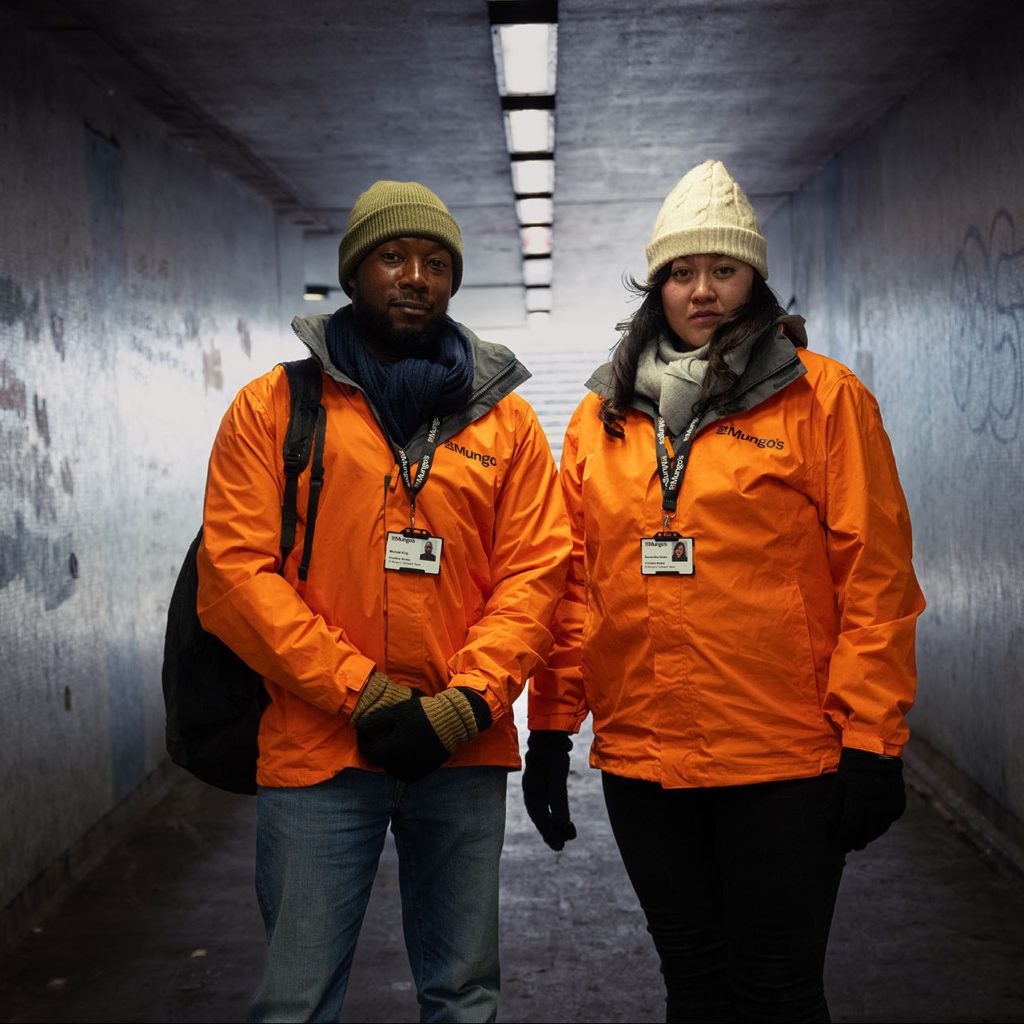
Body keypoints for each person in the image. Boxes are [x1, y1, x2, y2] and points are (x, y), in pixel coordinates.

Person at [523, 160, 925, 1023]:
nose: (702, 290)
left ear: (754, 281)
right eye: (681, 271)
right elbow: (573, 589)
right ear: (656, 285)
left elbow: (877, 580)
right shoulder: (602, 420)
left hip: (781, 760)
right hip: (643, 762)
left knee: (776, 991)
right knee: (694, 987)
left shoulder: (824, 401)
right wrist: (552, 728)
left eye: (723, 270)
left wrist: (873, 739)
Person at [196, 180, 570, 1023]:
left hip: (459, 752)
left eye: (436, 263)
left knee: (464, 995)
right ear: (354, 274)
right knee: (297, 1000)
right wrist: (361, 692)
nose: (416, 277)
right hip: (319, 749)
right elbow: (238, 576)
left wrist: (468, 701)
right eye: (393, 257)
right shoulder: (274, 410)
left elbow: (537, 572)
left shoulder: (504, 425)